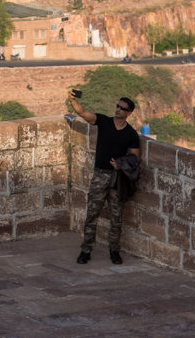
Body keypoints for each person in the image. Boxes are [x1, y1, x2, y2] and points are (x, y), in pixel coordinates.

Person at [68, 91, 141, 265]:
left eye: (122, 108)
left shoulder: (130, 134)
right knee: (92, 213)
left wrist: (121, 164)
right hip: (100, 174)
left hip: (117, 178)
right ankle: (86, 250)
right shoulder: (104, 122)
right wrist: (72, 101)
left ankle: (114, 250)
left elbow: (136, 158)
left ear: (129, 113)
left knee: (116, 217)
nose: (118, 110)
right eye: (117, 106)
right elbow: (83, 113)